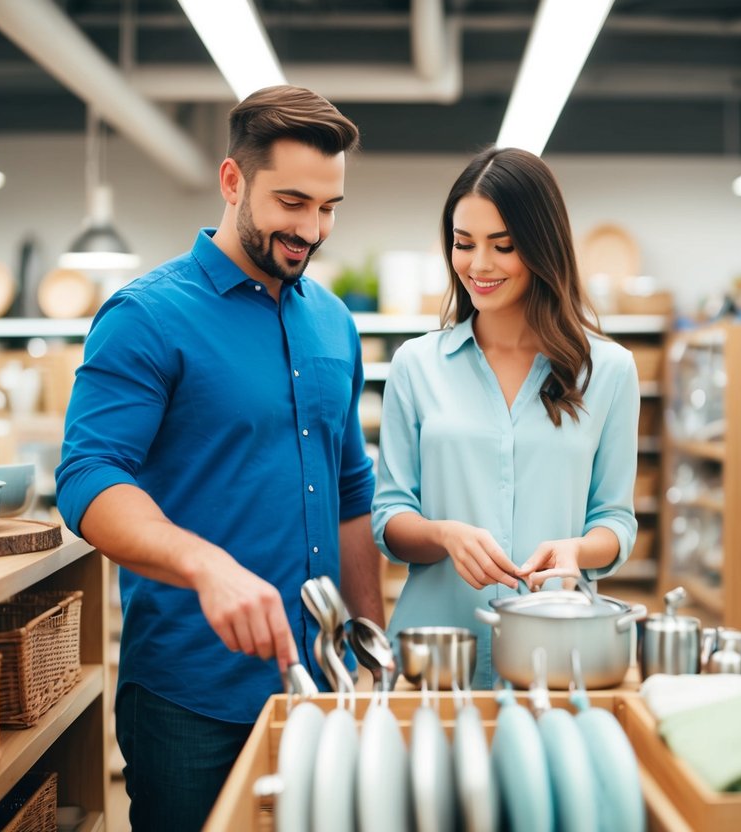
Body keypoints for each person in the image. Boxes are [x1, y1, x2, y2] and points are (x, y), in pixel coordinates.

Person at [55, 85, 383, 832]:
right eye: (291, 202)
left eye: (329, 207)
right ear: (232, 181)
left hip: (321, 685)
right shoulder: (146, 316)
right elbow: (86, 478)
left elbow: (350, 494)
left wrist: (370, 650)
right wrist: (207, 565)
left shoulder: (334, 323)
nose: (311, 229)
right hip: (189, 697)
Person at [371, 146, 640, 690]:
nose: (479, 265)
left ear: (542, 248)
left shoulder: (609, 371)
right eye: (463, 244)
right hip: (437, 657)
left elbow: (616, 519)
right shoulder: (416, 365)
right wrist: (444, 535)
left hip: (559, 656)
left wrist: (577, 551)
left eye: (504, 246)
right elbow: (389, 518)